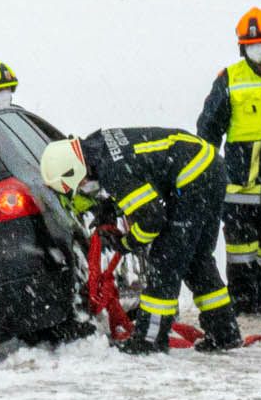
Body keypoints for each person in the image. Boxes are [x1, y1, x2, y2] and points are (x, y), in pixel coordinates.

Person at [39, 130, 240, 353]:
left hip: (196, 178)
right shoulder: (97, 147)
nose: (84, 186)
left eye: (80, 183)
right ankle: (224, 332)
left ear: (74, 170)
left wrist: (126, 243)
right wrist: (112, 208)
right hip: (207, 167)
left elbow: (152, 220)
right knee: (197, 260)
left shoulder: (113, 170)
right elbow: (140, 174)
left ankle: (149, 340)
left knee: (166, 261)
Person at [196, 8, 261, 317]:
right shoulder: (229, 78)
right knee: (240, 243)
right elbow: (209, 128)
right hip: (241, 179)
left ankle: (260, 294)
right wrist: (206, 172)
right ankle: (241, 297)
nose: (257, 50)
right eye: (250, 45)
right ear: (242, 48)